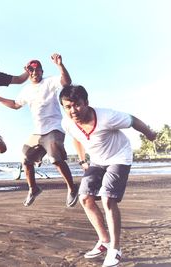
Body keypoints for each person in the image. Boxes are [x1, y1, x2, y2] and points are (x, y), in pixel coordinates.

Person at [59, 85, 157, 267]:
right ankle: (104, 241)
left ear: (86, 103)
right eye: (68, 107)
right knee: (85, 198)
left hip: (119, 157)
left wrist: (150, 134)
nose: (73, 110)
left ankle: (115, 249)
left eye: (77, 105)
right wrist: (82, 160)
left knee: (107, 199)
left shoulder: (107, 117)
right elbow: (75, 137)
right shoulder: (67, 123)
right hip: (97, 161)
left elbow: (133, 120)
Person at [0, 53, 79, 208]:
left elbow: (67, 82)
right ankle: (33, 188)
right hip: (37, 132)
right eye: (30, 70)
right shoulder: (26, 90)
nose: (34, 73)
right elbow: (15, 105)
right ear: (27, 72)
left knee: (55, 159)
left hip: (54, 128)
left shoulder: (50, 82)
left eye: (37, 69)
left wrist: (60, 65)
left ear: (41, 71)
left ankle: (72, 188)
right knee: (25, 159)